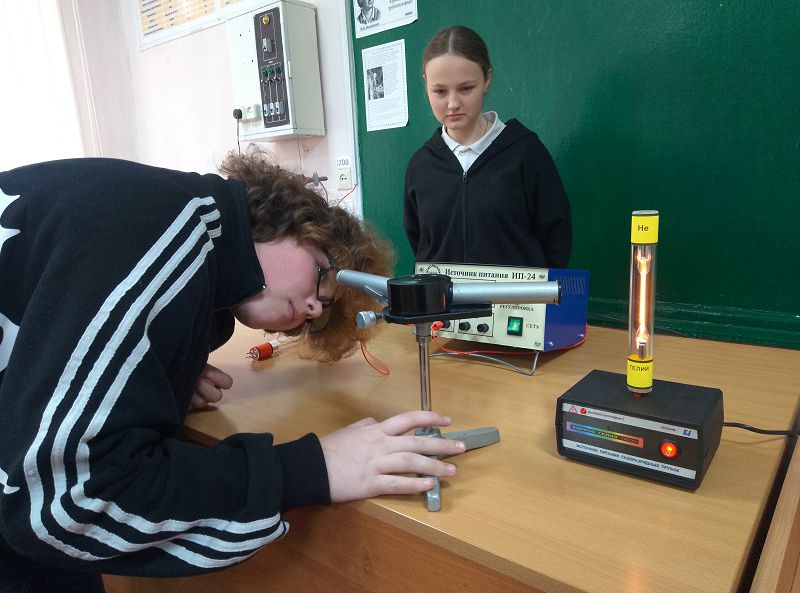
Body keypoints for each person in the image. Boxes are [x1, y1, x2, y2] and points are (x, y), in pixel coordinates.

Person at [0, 149, 465, 591]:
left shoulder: (179, 224)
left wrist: (158, 371)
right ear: (293, 223)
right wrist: (309, 467)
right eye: (321, 274)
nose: (312, 308)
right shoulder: (173, 229)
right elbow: (64, 501)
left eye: (322, 310)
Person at [403, 26, 573, 269]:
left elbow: (555, 234)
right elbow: (419, 239)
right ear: (426, 84)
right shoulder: (420, 166)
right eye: (440, 91)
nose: (452, 103)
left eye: (466, 88)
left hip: (516, 294)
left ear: (487, 79)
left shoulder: (525, 152)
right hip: (442, 294)